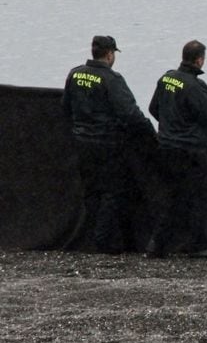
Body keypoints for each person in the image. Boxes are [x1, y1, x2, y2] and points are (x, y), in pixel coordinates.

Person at [146, 40, 207, 258]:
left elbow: (154, 108)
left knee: (172, 197)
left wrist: (171, 126)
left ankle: (156, 245)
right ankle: (198, 245)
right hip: (190, 151)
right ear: (199, 60)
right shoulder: (195, 86)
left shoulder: (166, 78)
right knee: (202, 196)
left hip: (166, 147)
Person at [62, 35, 156, 254]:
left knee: (91, 191)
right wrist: (151, 135)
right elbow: (130, 113)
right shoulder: (112, 79)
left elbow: (65, 107)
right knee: (112, 192)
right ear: (110, 54)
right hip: (107, 144)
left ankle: (90, 238)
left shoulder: (74, 74)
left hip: (81, 142)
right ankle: (104, 241)